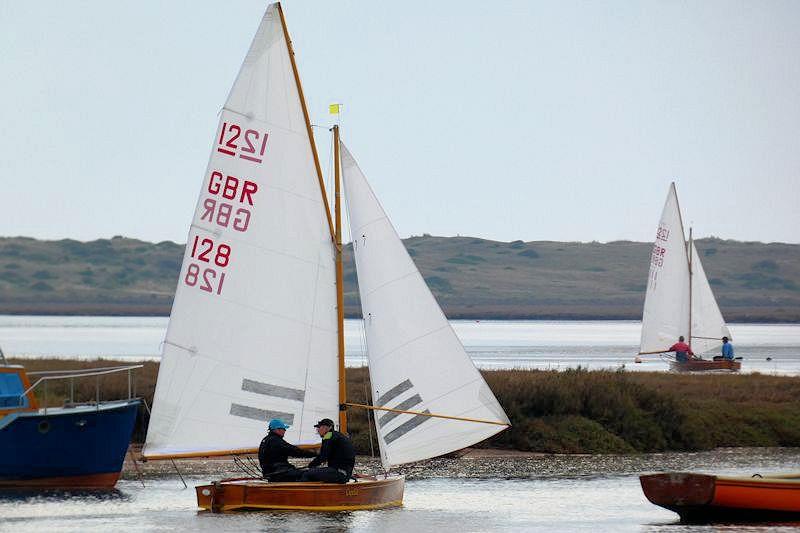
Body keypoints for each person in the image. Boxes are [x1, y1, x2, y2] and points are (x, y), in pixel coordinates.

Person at [300, 418, 355, 484]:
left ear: (325, 428)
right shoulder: (338, 435)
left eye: (318, 428)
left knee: (307, 474)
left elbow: (322, 456)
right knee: (315, 472)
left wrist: (311, 465)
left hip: (339, 473)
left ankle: (298, 492)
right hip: (344, 472)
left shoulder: (328, 436)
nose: (317, 431)